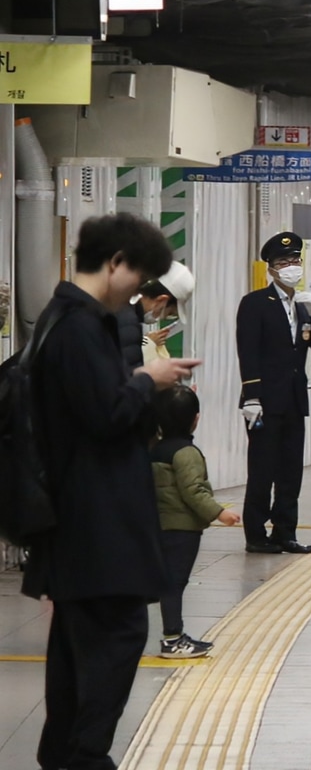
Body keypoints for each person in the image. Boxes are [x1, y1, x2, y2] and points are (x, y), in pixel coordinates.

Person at [21, 212, 201, 770]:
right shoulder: (79, 325)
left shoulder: (68, 320)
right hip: (95, 528)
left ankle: (67, 756)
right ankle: (83, 759)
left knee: (78, 658)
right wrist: (151, 379)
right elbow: (105, 415)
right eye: (139, 275)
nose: (139, 291)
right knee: (115, 642)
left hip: (86, 525)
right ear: (117, 262)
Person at [236, 231, 311, 554]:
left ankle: (285, 532)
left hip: (293, 399)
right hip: (263, 402)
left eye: (295, 260)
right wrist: (251, 396)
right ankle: (256, 534)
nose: (291, 266)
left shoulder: (303, 304)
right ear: (271, 269)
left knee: (291, 470)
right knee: (263, 470)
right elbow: (248, 352)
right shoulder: (255, 304)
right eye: (283, 262)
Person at [150, 385, 241, 659]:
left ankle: (173, 635)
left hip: (160, 526)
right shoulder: (187, 453)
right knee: (175, 584)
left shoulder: (154, 450)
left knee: (168, 582)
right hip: (182, 529)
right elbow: (193, 490)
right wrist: (219, 512)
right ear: (196, 418)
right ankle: (173, 639)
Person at [115, 260, 195, 370]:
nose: (162, 318)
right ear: (161, 300)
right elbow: (128, 379)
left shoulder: (115, 301)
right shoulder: (128, 323)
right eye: (169, 313)